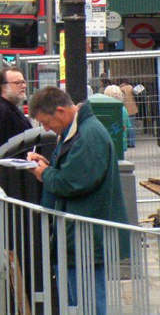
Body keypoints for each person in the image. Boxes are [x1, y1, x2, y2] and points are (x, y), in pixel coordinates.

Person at [26, 86, 129, 314]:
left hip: (85, 237)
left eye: (46, 122)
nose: (46, 128)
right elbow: (74, 172)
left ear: (61, 111)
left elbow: (74, 182)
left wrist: (44, 173)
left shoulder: (88, 135)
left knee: (87, 304)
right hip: (78, 235)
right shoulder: (77, 131)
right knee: (79, 303)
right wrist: (48, 165)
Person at [0, 67, 33, 164]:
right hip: (12, 174)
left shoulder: (9, 107)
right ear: (3, 87)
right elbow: (5, 150)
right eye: (17, 83)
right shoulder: (1, 110)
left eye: (23, 82)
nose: (23, 86)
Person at [102, 84, 134, 152]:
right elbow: (127, 126)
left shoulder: (106, 111)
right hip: (122, 145)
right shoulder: (123, 110)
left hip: (109, 146)